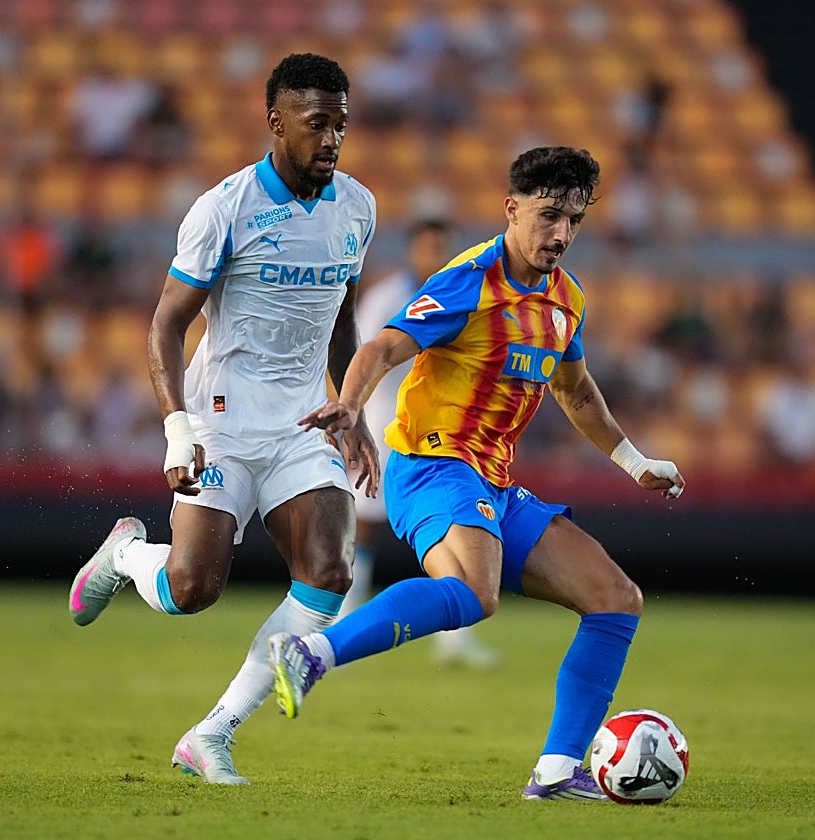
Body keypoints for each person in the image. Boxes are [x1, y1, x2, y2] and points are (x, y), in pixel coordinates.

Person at [269, 146, 686, 801]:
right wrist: (349, 408)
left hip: (491, 482)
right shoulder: (469, 280)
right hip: (432, 465)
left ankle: (556, 771)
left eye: (574, 220)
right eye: (548, 216)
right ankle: (311, 653)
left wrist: (635, 462)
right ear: (511, 209)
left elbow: (575, 391)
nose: (561, 234)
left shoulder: (566, 299)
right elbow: (381, 346)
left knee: (615, 598)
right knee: (473, 591)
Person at [67, 53, 379, 785]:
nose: (332, 139)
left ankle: (211, 735)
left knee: (330, 572)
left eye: (340, 125)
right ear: (276, 122)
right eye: (317, 124)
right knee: (192, 590)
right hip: (222, 421)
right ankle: (126, 556)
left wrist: (352, 409)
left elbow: (341, 318)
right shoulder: (224, 209)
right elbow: (164, 327)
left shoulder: (358, 208)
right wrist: (177, 430)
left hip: (303, 423)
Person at [344, 217, 499, 670]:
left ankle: (456, 638)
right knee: (363, 524)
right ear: (411, 251)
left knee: (458, 527)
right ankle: (346, 617)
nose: (436, 256)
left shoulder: (467, 295)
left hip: (445, 430)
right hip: (386, 422)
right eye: (429, 247)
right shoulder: (387, 298)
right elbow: (364, 355)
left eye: (443, 247)